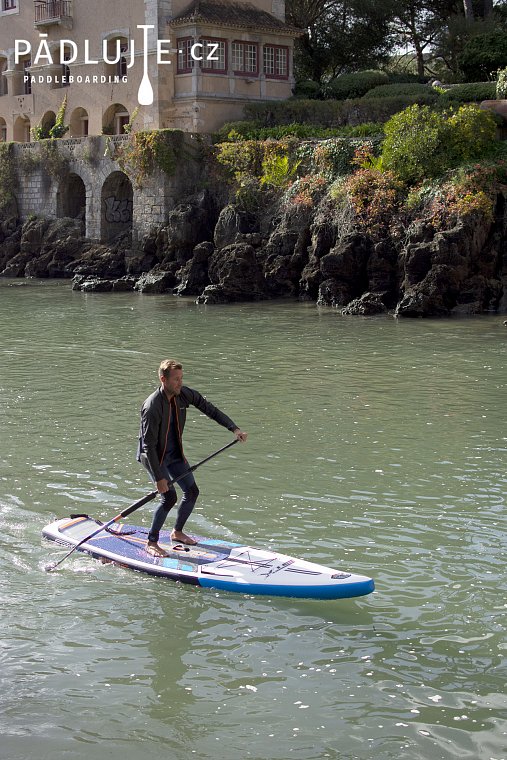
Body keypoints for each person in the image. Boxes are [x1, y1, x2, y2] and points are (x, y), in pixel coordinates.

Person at [137, 359, 247, 557]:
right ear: (163, 379)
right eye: (176, 380)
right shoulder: (152, 406)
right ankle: (151, 542)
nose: (180, 383)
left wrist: (234, 428)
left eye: (181, 378)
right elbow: (148, 446)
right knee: (169, 497)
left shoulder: (183, 394)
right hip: (155, 458)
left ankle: (177, 532)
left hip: (175, 454)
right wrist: (160, 478)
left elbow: (209, 408)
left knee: (192, 491)